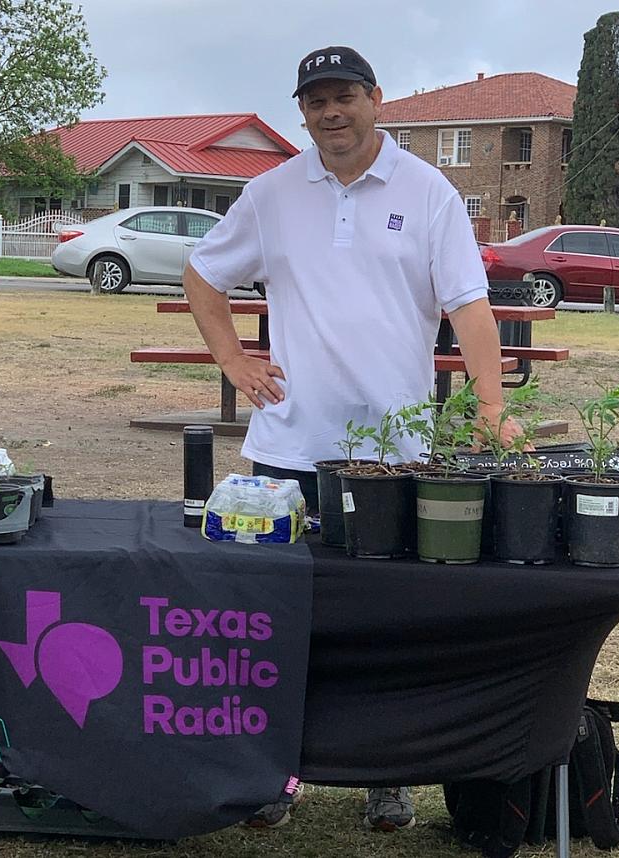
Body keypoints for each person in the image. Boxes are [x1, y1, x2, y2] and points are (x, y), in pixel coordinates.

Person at [184, 46, 524, 832]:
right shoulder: (269, 195)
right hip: (287, 448)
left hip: (395, 458)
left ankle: (388, 776)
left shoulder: (429, 191)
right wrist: (233, 358)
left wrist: (489, 404)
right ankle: (275, 773)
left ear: (376, 99)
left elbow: (468, 307)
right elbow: (204, 275)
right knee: (270, 621)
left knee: (388, 624)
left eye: (344, 97)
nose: (330, 113)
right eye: (315, 102)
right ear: (301, 112)